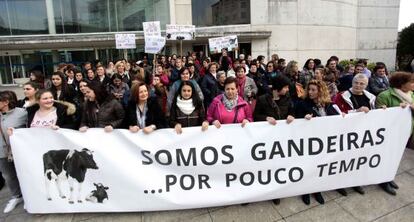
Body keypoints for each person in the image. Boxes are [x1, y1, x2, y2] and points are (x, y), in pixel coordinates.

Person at [295, 79, 342, 205]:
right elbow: (296, 121)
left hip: (325, 142)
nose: (310, 92)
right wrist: (304, 119)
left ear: (320, 91)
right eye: (309, 89)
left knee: (319, 167)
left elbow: (338, 119)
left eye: (313, 90)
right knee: (308, 166)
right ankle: (306, 190)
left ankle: (317, 189)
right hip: (308, 142)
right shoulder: (302, 104)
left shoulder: (328, 105)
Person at [375, 72, 414, 194]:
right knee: (386, 156)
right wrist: (396, 110)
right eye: (411, 82)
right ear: (402, 84)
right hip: (390, 134)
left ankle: (389, 176)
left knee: (396, 157)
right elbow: (379, 116)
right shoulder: (384, 95)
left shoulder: (411, 95)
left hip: (406, 132)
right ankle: (383, 180)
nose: (413, 84)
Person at [0, 91, 27, 213]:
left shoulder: (22, 113)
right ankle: (16, 196)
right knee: (9, 176)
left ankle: (29, 197)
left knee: (24, 174)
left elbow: (29, 129)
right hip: (1, 151)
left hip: (19, 151)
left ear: (6, 102)